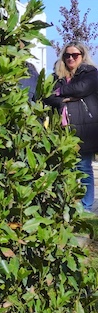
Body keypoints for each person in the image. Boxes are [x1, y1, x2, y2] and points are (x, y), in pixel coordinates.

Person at [47, 41, 98, 212]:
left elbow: (82, 88)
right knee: (64, 169)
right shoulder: (56, 76)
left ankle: (86, 207)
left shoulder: (90, 73)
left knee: (83, 168)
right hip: (61, 130)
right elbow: (46, 96)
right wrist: (65, 99)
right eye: (67, 55)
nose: (70, 58)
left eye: (75, 55)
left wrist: (60, 92)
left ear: (82, 56)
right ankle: (67, 207)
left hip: (84, 129)